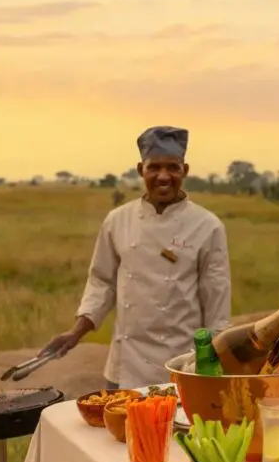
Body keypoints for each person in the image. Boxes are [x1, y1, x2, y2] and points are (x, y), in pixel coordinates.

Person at [42, 126, 232, 388]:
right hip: (123, 368)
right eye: (154, 167)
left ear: (185, 171)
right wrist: (75, 333)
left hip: (180, 367)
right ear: (141, 169)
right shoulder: (117, 220)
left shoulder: (207, 226)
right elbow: (101, 282)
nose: (163, 176)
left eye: (172, 168)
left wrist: (210, 370)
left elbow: (217, 308)